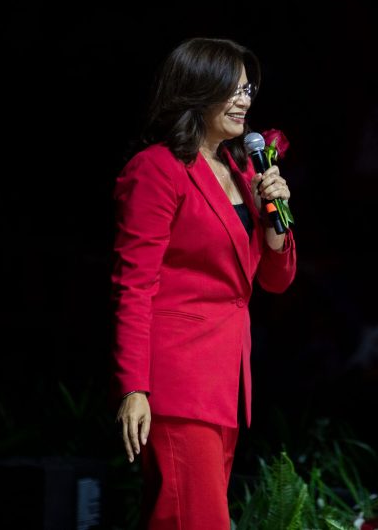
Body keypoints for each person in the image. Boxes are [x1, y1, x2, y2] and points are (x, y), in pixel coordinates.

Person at [110, 37, 297, 528]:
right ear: (197, 92)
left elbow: (272, 283)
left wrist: (273, 223)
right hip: (178, 383)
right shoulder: (157, 169)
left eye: (248, 89)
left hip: (225, 384)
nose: (246, 100)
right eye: (233, 90)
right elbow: (135, 286)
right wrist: (134, 388)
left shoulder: (242, 171)